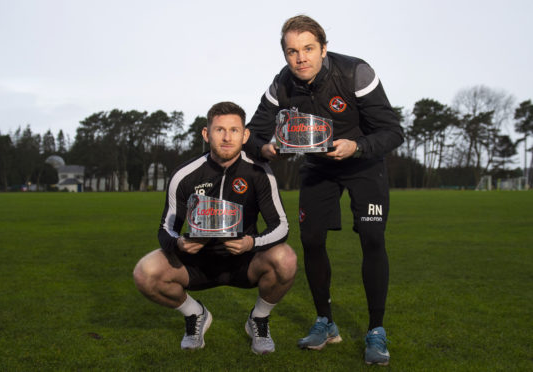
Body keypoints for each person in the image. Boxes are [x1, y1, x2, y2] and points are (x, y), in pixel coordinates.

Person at [244, 15, 403, 365]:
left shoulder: (355, 72)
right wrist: (267, 149)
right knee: (312, 240)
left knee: (373, 239)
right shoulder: (281, 85)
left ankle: (376, 330)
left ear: (323, 48)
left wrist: (356, 146)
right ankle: (325, 322)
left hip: (363, 163)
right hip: (318, 167)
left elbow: (393, 132)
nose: (300, 58)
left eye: (308, 49)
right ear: (285, 54)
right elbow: (253, 135)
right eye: (292, 51)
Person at [133, 101, 297, 355]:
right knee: (145, 272)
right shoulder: (184, 175)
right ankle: (195, 315)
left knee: (286, 259)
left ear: (245, 135)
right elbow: (166, 228)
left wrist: (251, 243)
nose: (227, 137)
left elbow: (281, 226)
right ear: (206, 134)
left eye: (234, 130)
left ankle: (259, 320)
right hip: (197, 262)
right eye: (219, 129)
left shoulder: (260, 172)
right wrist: (178, 243)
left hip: (244, 260)